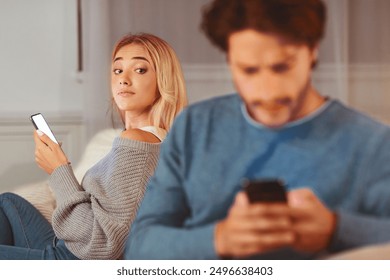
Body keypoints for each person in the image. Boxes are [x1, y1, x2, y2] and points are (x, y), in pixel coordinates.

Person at [125, 0, 390, 260]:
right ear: (229, 61)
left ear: (313, 52)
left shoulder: (372, 143)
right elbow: (139, 247)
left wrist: (335, 228)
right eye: (249, 70)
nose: (267, 91)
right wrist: (221, 238)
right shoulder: (194, 127)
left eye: (282, 67)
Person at [0, 32, 187, 259]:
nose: (123, 79)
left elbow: (104, 245)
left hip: (74, 260)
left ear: (163, 80)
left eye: (140, 70)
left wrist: (59, 170)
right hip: (67, 246)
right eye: (118, 70)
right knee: (8, 203)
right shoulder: (155, 140)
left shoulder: (138, 142)